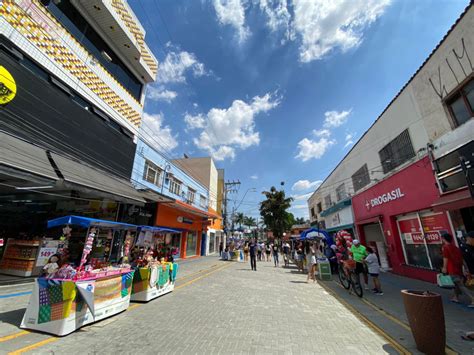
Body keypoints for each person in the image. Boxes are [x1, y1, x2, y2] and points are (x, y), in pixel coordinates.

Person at [441, 233, 473, 306]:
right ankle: (456, 297)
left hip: (452, 269)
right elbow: (462, 259)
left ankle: (472, 299)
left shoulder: (445, 247)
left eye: (442, 238)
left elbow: (445, 258)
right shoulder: (455, 247)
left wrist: (444, 267)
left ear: (443, 238)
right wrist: (465, 268)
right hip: (458, 268)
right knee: (456, 284)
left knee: (460, 285)